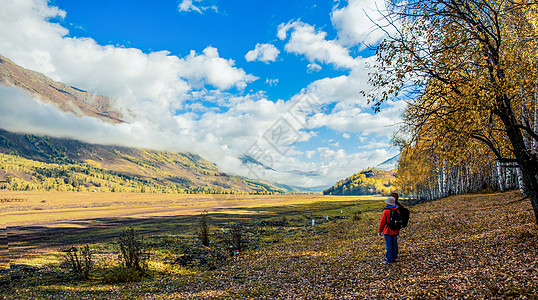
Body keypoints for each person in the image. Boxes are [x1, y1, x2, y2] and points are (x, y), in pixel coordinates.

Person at [378, 196, 400, 263]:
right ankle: (394, 257)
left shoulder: (386, 211)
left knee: (389, 246)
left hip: (387, 231)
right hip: (395, 230)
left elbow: (382, 222)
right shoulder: (397, 210)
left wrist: (379, 231)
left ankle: (389, 259)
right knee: (394, 245)